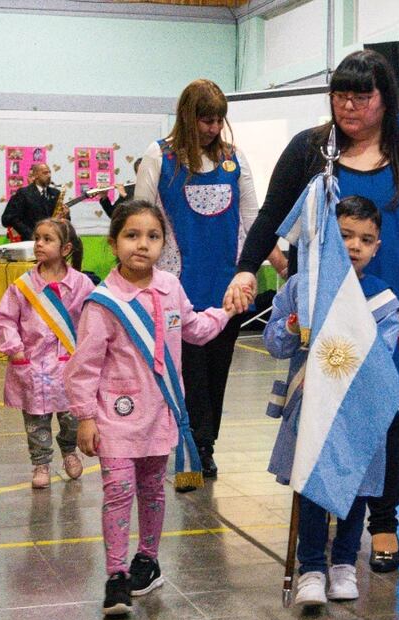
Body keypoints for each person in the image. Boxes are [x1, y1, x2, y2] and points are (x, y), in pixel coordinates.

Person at [227, 50, 399, 571]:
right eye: (340, 94)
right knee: (320, 418)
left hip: (383, 312)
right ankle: (321, 530)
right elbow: (270, 215)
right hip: (322, 314)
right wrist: (245, 268)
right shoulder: (309, 150)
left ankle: (384, 523)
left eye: (361, 96)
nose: (348, 106)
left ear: (384, 99)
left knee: (380, 417)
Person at [64, 200, 235, 616]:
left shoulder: (170, 288)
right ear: (113, 242)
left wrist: (227, 311)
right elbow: (83, 367)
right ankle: (116, 575)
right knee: (118, 492)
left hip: (161, 415)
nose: (142, 245)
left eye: (153, 237)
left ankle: (148, 559)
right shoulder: (103, 303)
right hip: (116, 419)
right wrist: (85, 417)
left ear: (164, 244)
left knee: (154, 490)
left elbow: (193, 329)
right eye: (132, 235)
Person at [133, 78, 285, 481]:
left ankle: (205, 445)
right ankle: (188, 443)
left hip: (228, 289)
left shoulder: (235, 160)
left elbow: (255, 219)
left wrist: (279, 263)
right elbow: (142, 220)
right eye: (206, 120)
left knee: (216, 373)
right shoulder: (158, 156)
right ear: (187, 117)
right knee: (187, 373)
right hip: (173, 288)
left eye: (219, 120)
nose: (214, 128)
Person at [265, 196, 399, 607]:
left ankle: (343, 562)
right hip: (312, 409)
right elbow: (274, 342)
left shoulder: (382, 298)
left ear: (377, 246)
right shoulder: (299, 288)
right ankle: (310, 567)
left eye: (365, 239)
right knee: (310, 483)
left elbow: (383, 352)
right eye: (344, 236)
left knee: (356, 485)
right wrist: (295, 323)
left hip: (359, 410)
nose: (354, 246)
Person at [0, 217, 94, 489]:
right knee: (36, 420)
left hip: (69, 367)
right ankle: (41, 462)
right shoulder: (23, 285)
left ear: (66, 248)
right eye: (37, 238)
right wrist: (15, 350)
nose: (39, 244)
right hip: (33, 365)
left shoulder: (82, 284)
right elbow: (4, 319)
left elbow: (95, 318)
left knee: (73, 417)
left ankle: (69, 450)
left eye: (47, 239)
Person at [2, 163, 65, 242]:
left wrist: (65, 215)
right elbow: (11, 218)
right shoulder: (23, 193)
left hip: (51, 240)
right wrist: (30, 234)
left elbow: (60, 218)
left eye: (49, 172)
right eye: (45, 173)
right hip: (30, 240)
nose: (49, 176)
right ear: (35, 176)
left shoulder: (55, 193)